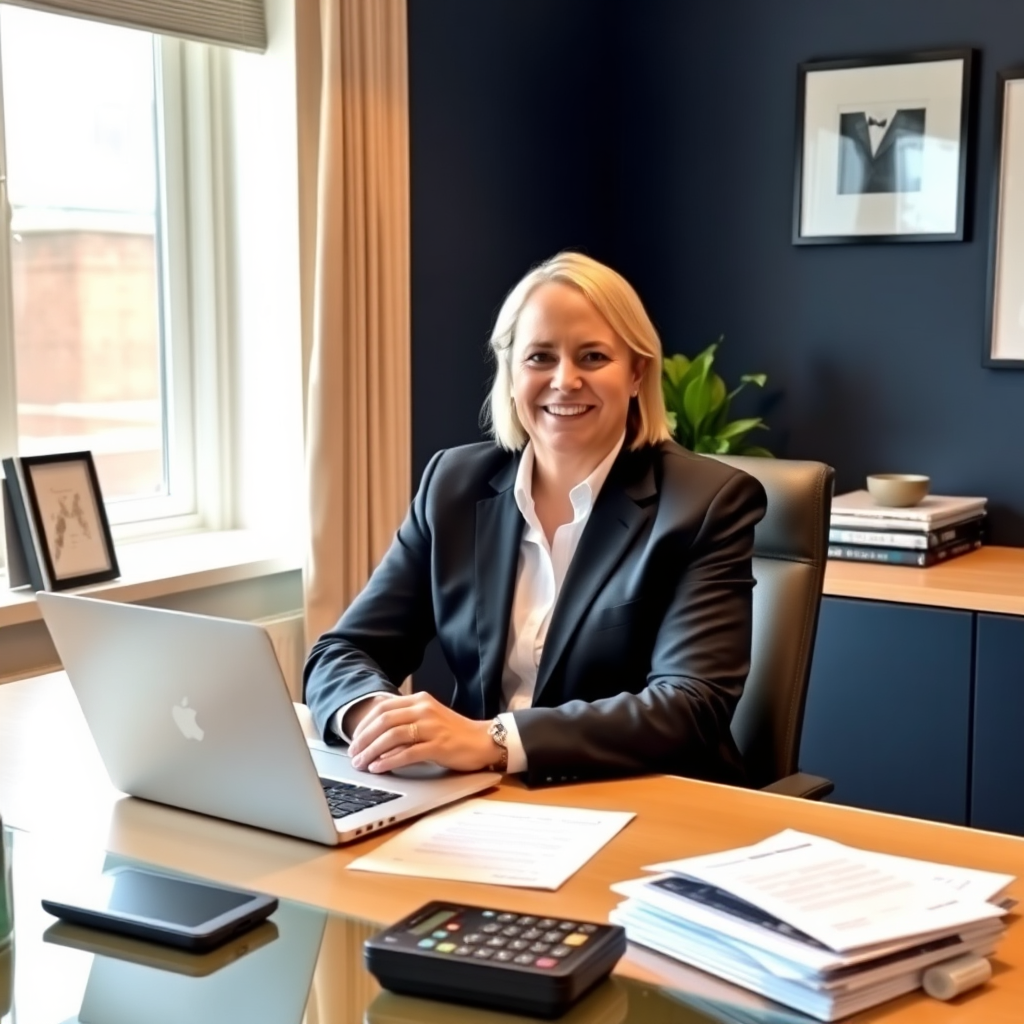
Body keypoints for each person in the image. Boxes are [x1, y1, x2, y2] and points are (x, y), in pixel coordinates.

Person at [303, 252, 767, 787]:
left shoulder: (706, 502)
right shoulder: (453, 484)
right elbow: (344, 650)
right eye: (540, 357)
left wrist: (493, 740)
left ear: (637, 373)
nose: (564, 381)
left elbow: (690, 706)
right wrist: (376, 719)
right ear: (511, 371)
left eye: (593, 357)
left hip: (640, 796)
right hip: (481, 799)